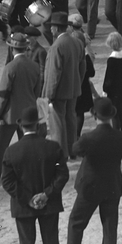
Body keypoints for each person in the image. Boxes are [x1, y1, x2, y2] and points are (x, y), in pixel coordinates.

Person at [0, 105, 69, 244]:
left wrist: (27, 199)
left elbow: (7, 181)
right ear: (38, 126)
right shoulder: (52, 147)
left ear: (21, 127)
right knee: (51, 243)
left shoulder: (11, 151)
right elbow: (62, 174)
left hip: (23, 207)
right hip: (49, 204)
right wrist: (46, 194)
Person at [63, 98, 122, 244]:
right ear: (111, 115)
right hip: (112, 185)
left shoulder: (88, 138)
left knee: (76, 222)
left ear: (94, 115)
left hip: (90, 186)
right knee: (109, 225)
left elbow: (75, 149)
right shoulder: (121, 137)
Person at [0, 31, 43, 162]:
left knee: (0, 145)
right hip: (28, 112)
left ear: (11, 48)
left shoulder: (10, 67)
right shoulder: (34, 66)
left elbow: (3, 93)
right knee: (28, 145)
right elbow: (37, 91)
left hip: (11, 113)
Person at [44, 11, 86, 160]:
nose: (50, 30)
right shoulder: (77, 42)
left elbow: (53, 73)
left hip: (60, 91)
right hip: (73, 88)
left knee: (57, 123)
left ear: (56, 28)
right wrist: (77, 82)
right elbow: (83, 66)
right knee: (70, 119)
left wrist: (49, 94)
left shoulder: (57, 46)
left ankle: (61, 153)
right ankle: (72, 149)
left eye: (52, 27)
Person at [101, 31, 122, 133]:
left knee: (114, 114)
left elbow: (109, 77)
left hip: (114, 92)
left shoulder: (112, 59)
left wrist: (105, 89)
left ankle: (116, 134)